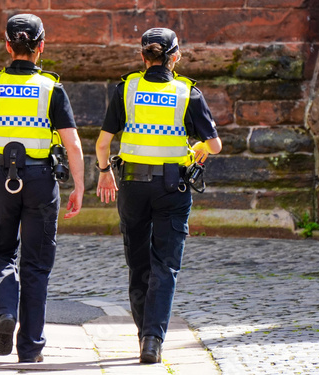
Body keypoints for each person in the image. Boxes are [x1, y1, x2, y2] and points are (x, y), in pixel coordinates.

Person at [0, 14, 84, 363]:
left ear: (8, 47)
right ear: (41, 47)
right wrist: (80, 187)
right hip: (40, 180)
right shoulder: (52, 89)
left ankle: (6, 311)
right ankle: (30, 349)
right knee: (36, 266)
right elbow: (73, 145)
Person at [95, 27, 222, 363]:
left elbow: (103, 143)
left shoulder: (127, 88)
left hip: (133, 186)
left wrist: (105, 174)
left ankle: (144, 334)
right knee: (164, 265)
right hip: (172, 187)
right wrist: (195, 149)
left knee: (138, 264)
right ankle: (152, 339)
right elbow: (214, 145)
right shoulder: (186, 92)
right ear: (175, 57)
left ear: (142, 57)